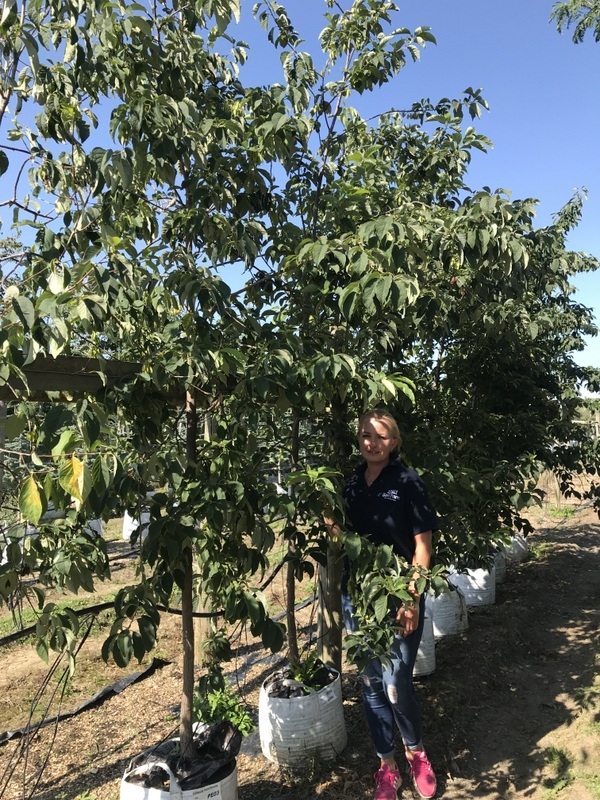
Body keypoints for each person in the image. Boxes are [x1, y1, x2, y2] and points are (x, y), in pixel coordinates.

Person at [341, 409, 438, 800]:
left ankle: (416, 752)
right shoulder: (351, 484)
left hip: (398, 597)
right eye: (366, 435)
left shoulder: (408, 482)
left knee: (396, 683)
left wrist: (412, 599)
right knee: (370, 684)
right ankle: (387, 765)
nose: (372, 442)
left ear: (394, 442)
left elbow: (423, 547)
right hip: (357, 598)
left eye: (381, 436)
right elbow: (346, 540)